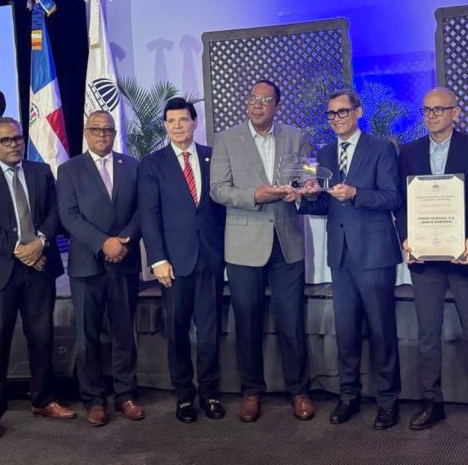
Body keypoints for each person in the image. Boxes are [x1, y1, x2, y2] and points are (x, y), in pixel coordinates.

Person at [395, 87, 468, 435]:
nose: (431, 116)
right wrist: (406, 238)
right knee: (427, 334)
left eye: (439, 110)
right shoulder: (410, 152)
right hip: (425, 259)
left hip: (466, 257)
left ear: (455, 112)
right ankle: (432, 402)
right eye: (426, 110)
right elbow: (401, 203)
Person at [209, 80, 315, 422]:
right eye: (253, 98)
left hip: (287, 243)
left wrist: (300, 191)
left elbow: (305, 177)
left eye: (265, 100)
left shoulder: (295, 136)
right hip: (243, 245)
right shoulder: (226, 140)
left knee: (291, 321)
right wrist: (255, 195)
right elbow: (218, 190)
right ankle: (251, 391)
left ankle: (299, 391)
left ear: (276, 106)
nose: (257, 105)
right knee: (248, 322)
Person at [0, 117, 75, 441]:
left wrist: (39, 242)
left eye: (18, 139)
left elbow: (56, 213)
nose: (14, 145)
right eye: (7, 140)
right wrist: (19, 248)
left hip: (40, 266)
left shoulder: (41, 172)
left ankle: (42, 400)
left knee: (42, 337)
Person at [299, 89, 402, 430]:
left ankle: (388, 401)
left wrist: (356, 193)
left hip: (374, 252)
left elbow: (392, 197)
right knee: (345, 332)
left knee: (381, 330)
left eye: (342, 112)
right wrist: (305, 197)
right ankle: (348, 396)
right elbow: (326, 206)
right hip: (340, 254)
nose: (336, 119)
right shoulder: (327, 151)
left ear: (358, 112)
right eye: (331, 114)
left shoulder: (382, 148)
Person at [138, 98, 226, 423]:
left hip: (210, 260)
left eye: (183, 120)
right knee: (177, 331)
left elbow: (221, 208)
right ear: (165, 125)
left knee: (209, 331)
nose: (178, 126)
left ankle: (210, 392)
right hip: (173, 264)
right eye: (171, 121)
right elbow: (149, 216)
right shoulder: (152, 164)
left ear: (194, 122)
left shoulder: (212, 156)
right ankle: (184, 396)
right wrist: (157, 259)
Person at [57, 111, 143, 427]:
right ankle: (93, 399)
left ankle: (125, 395)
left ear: (114, 132)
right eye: (96, 129)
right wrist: (103, 243)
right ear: (86, 132)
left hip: (124, 261)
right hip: (86, 265)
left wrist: (123, 242)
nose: (102, 134)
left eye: (108, 129)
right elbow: (68, 216)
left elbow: (141, 210)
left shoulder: (132, 166)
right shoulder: (69, 170)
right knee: (87, 336)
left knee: (124, 333)